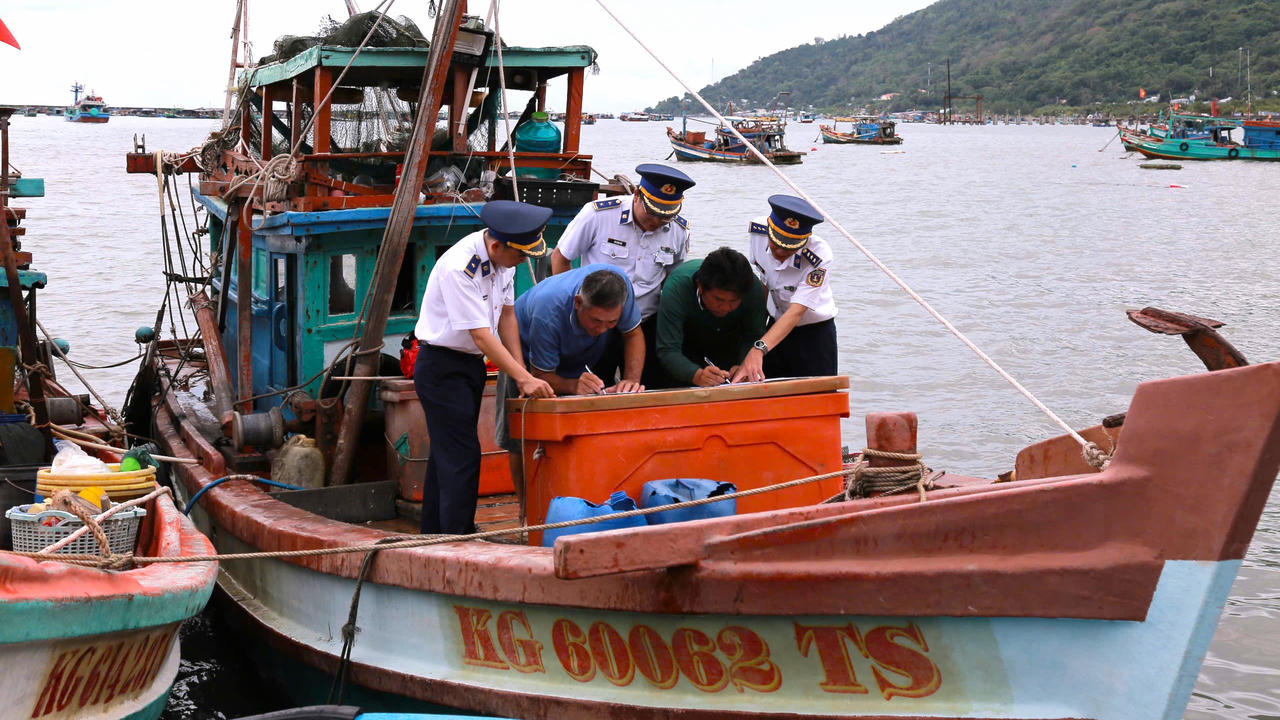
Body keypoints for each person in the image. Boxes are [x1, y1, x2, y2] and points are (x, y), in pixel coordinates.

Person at [414, 200, 554, 535]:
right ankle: (458, 539)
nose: (523, 261)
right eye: (520, 255)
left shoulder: (505, 260)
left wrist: (523, 373)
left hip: (469, 368)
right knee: (462, 456)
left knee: (446, 456)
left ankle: (434, 532)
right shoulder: (460, 268)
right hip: (441, 367)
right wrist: (523, 376)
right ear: (495, 245)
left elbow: (507, 316)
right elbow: (480, 335)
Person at [495, 265, 644, 518]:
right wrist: (573, 385)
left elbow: (633, 334)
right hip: (525, 356)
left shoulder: (622, 289)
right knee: (520, 438)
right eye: (596, 320)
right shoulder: (548, 311)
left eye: (612, 322)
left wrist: (631, 380)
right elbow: (540, 376)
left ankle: (588, 499)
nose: (603, 329)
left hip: (580, 352)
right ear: (578, 303)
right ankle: (527, 511)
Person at [549, 163, 695, 386]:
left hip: (645, 323)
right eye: (652, 212)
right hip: (596, 324)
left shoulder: (678, 230)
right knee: (592, 388)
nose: (656, 222)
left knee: (645, 389)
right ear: (637, 195)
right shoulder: (599, 215)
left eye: (665, 217)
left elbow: (673, 279)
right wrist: (575, 311)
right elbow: (561, 257)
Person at [730, 194, 838, 382]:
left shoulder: (819, 256)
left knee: (817, 399)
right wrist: (753, 339)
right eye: (775, 243)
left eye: (788, 248)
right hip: (774, 327)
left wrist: (759, 349)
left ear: (804, 241)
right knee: (764, 394)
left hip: (813, 336)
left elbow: (796, 312)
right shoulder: (758, 232)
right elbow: (763, 284)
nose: (779, 251)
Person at [654, 247, 767, 387]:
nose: (726, 308)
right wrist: (696, 375)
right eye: (719, 300)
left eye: (733, 301)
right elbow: (668, 349)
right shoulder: (676, 289)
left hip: (731, 340)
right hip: (687, 344)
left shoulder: (752, 288)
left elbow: (754, 335)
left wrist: (743, 364)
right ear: (700, 287)